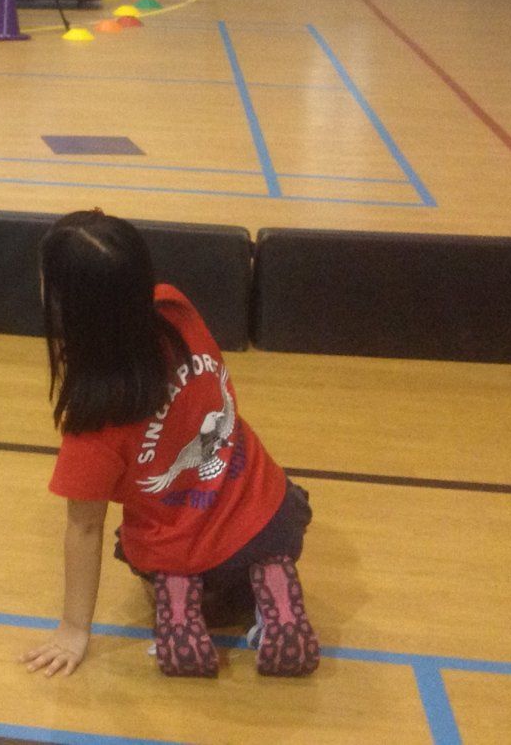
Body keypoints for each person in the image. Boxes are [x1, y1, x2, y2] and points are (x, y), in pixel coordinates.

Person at [22, 210, 317, 680]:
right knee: (282, 507)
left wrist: (73, 628)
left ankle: (179, 596)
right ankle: (270, 587)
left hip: (186, 551)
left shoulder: (93, 417)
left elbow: (83, 528)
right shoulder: (176, 306)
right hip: (271, 517)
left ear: (65, 306)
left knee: (142, 545)